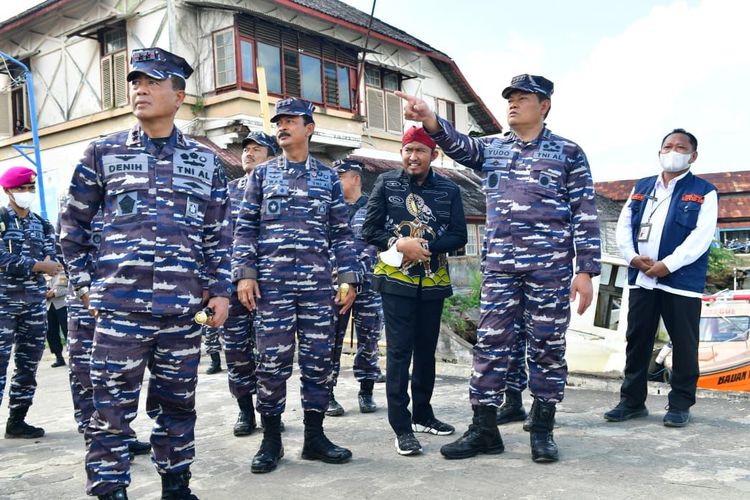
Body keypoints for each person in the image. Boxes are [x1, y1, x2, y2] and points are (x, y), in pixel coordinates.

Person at [396, 73, 601, 463]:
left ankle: (542, 430)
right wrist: (429, 118)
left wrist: (586, 270)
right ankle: (485, 429)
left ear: (544, 106)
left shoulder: (568, 153)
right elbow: (458, 145)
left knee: (547, 346)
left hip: (550, 268)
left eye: (523, 98)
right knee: (490, 345)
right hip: (501, 267)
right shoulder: (492, 149)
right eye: (510, 97)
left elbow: (585, 213)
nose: (513, 103)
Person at [60, 47, 232, 500]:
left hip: (182, 313)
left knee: (178, 405)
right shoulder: (103, 152)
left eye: (153, 82)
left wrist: (219, 291)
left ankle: (176, 487)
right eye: (137, 81)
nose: (140, 88)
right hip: (118, 310)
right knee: (109, 411)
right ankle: (109, 491)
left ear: (179, 96)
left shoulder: (206, 161)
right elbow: (72, 226)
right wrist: (83, 286)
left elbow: (218, 234)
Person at [233, 97, 359, 473]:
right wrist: (245, 273)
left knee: (319, 361)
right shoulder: (261, 175)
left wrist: (349, 277)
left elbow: (340, 232)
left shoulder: (326, 179)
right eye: (279, 122)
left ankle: (314, 437)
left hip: (319, 287)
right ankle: (272, 439)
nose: (283, 127)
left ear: (309, 128)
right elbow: (245, 228)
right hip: (271, 288)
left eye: (291, 121)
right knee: (271, 363)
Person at [361, 126, 468, 456]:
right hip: (395, 281)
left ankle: (423, 414)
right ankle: (402, 426)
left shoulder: (449, 190)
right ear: (401, 153)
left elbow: (459, 235)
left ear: (433, 155)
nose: (413, 156)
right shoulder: (386, 183)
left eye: (420, 150)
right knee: (398, 353)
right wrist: (400, 244)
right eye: (408, 150)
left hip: (433, 281)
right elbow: (370, 229)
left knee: (426, 351)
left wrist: (427, 247)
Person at [605, 128, 717, 428]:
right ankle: (632, 402)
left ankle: (680, 404)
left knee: (683, 343)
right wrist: (632, 258)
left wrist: (667, 265)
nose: (673, 151)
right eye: (668, 146)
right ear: (659, 152)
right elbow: (624, 226)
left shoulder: (704, 191)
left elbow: (701, 237)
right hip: (642, 278)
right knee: (637, 340)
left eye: (681, 147)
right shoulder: (641, 187)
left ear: (693, 156)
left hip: (681, 283)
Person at [219, 130, 279, 436]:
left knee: (272, 351)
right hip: (233, 283)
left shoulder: (279, 188)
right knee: (236, 348)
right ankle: (245, 412)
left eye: (257, 149)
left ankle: (272, 411)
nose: (249, 153)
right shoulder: (228, 192)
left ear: (271, 156)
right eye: (246, 149)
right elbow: (217, 238)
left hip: (270, 283)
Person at [1, 166, 61, 439]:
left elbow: (53, 258)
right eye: (21, 189)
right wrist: (38, 266)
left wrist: (50, 273)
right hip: (4, 304)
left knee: (28, 364)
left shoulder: (42, 224)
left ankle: (17, 421)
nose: (27, 193)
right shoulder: (1, 220)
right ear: (7, 191)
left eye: (30, 188)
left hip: (34, 305)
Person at [327, 158, 383, 416]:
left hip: (368, 284)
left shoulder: (374, 207)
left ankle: (366, 391)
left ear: (356, 178)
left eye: (340, 177)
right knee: (330, 340)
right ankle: (327, 394)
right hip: (335, 285)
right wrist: (341, 279)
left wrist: (354, 278)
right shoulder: (329, 208)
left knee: (369, 339)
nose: (336, 182)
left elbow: (376, 245)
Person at [46, 267, 69, 367]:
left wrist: (54, 293)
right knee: (51, 332)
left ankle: (74, 355)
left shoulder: (62, 273)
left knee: (68, 331)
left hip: (62, 305)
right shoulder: (42, 274)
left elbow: (67, 289)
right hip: (48, 306)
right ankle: (59, 357)